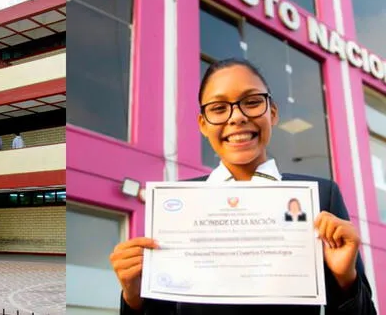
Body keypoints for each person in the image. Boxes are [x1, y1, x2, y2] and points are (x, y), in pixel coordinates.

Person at [110, 58, 377, 315]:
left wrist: (345, 278)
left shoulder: (320, 196)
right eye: (218, 108)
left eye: (251, 102)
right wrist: (134, 299)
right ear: (203, 124)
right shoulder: (177, 204)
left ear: (272, 113)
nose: (237, 117)